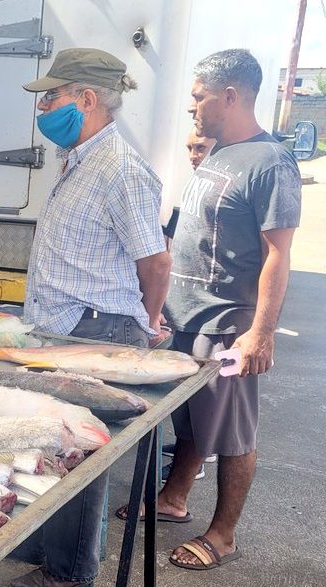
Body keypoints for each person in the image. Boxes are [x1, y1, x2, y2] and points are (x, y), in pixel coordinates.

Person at [7, 48, 171, 587]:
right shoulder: (80, 160)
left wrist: (148, 320)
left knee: (81, 452)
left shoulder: (120, 169)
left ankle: (71, 568)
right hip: (64, 328)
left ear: (86, 99)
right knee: (54, 441)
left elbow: (155, 260)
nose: (44, 107)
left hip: (96, 330)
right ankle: (46, 545)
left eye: (51, 97)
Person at [137, 49, 300, 570]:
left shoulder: (270, 163)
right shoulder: (219, 153)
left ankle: (223, 535)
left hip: (228, 325)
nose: (194, 108)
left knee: (231, 432)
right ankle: (173, 499)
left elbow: (279, 253)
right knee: (189, 418)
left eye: (200, 97)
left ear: (230, 96)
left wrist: (260, 334)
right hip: (186, 318)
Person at [158, 128, 217, 482]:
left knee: (203, 401)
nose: (193, 155)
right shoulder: (192, 191)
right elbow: (169, 247)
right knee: (183, 396)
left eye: (201, 148)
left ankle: (189, 468)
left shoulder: (220, 195)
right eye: (190, 148)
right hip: (182, 306)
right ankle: (187, 450)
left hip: (207, 311)